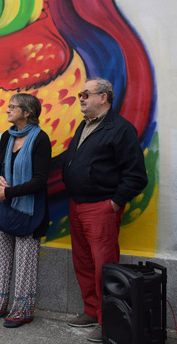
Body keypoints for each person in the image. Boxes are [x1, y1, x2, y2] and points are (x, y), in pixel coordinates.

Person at [62, 78, 148, 342]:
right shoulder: (85, 125)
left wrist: (115, 202)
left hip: (101, 207)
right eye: (80, 94)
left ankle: (107, 320)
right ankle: (91, 310)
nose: (81, 98)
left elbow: (136, 175)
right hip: (77, 205)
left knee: (104, 267)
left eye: (86, 94)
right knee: (84, 263)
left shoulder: (120, 129)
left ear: (104, 97)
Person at [0, 93, 51, 328]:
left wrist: (9, 193)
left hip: (29, 212)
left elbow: (40, 180)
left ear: (27, 112)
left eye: (13, 107)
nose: (7, 110)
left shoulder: (41, 139)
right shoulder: (7, 136)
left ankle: (22, 311)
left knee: (25, 264)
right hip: (4, 208)